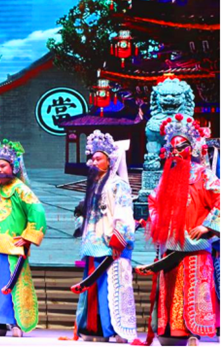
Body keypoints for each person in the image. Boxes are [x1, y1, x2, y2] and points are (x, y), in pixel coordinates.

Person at [137, 114, 218, 346]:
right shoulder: (166, 178)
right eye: (172, 148)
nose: (175, 152)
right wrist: (161, 223)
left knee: (192, 288)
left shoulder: (203, 174)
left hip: (194, 244)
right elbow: (153, 201)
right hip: (171, 244)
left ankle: (192, 332)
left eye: (181, 147)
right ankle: (169, 331)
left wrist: (207, 226)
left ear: (191, 148)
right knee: (170, 289)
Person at [71, 131, 137, 343]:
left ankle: (116, 330)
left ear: (110, 161)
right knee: (93, 289)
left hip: (111, 246)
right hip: (94, 245)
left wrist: (119, 239)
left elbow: (124, 213)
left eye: (98, 158)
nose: (94, 162)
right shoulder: (94, 185)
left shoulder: (118, 184)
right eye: (92, 158)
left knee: (112, 288)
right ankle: (94, 328)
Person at [0, 139, 46, 337]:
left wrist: (29, 236)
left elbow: (37, 211)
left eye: (3, 166)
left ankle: (15, 322)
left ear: (13, 167)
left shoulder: (20, 189)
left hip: (12, 247)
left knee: (12, 285)